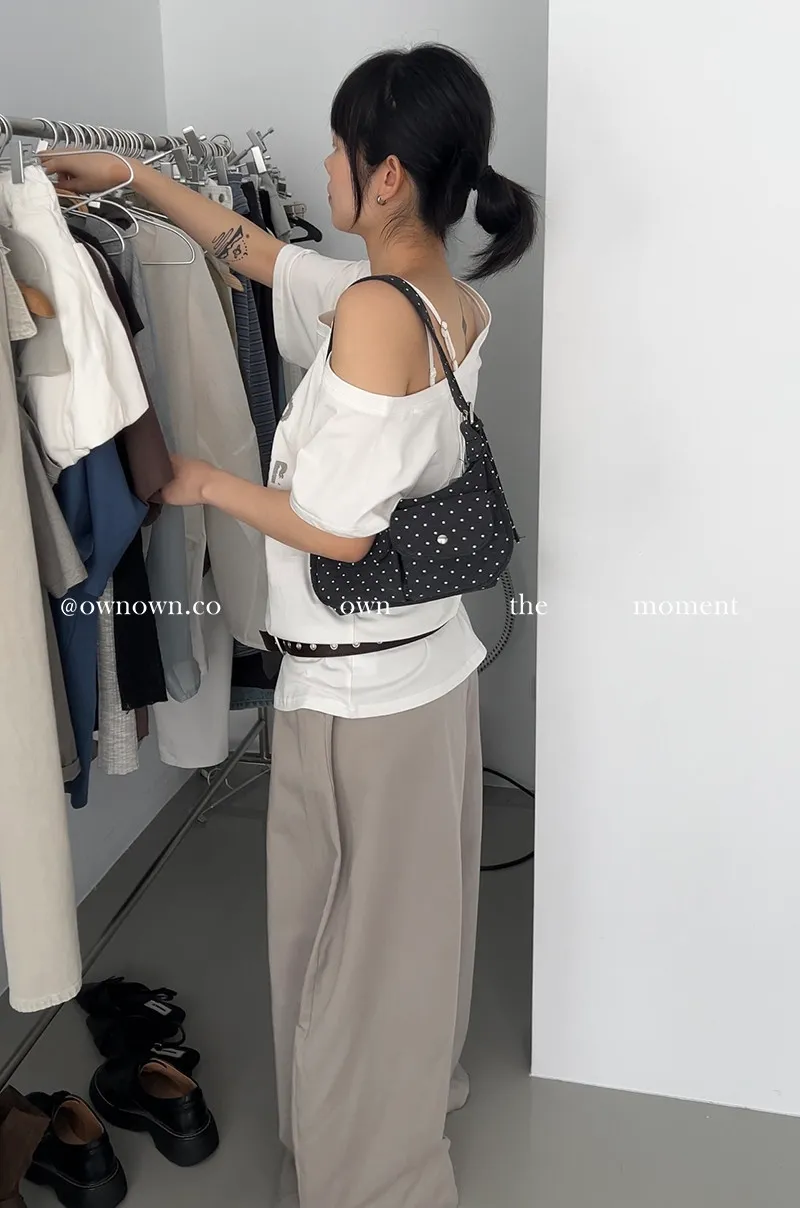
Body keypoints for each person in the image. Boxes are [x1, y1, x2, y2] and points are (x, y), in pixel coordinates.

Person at [44, 42, 537, 1208]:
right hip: (414, 678)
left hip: (364, 702)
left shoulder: (373, 314)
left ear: (386, 175)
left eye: (336, 149)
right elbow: (255, 253)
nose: (321, 166)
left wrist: (203, 482)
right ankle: (396, 1109)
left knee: (349, 956)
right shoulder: (432, 296)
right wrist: (132, 178)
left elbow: (338, 533)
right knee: (398, 935)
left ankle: (371, 1177)